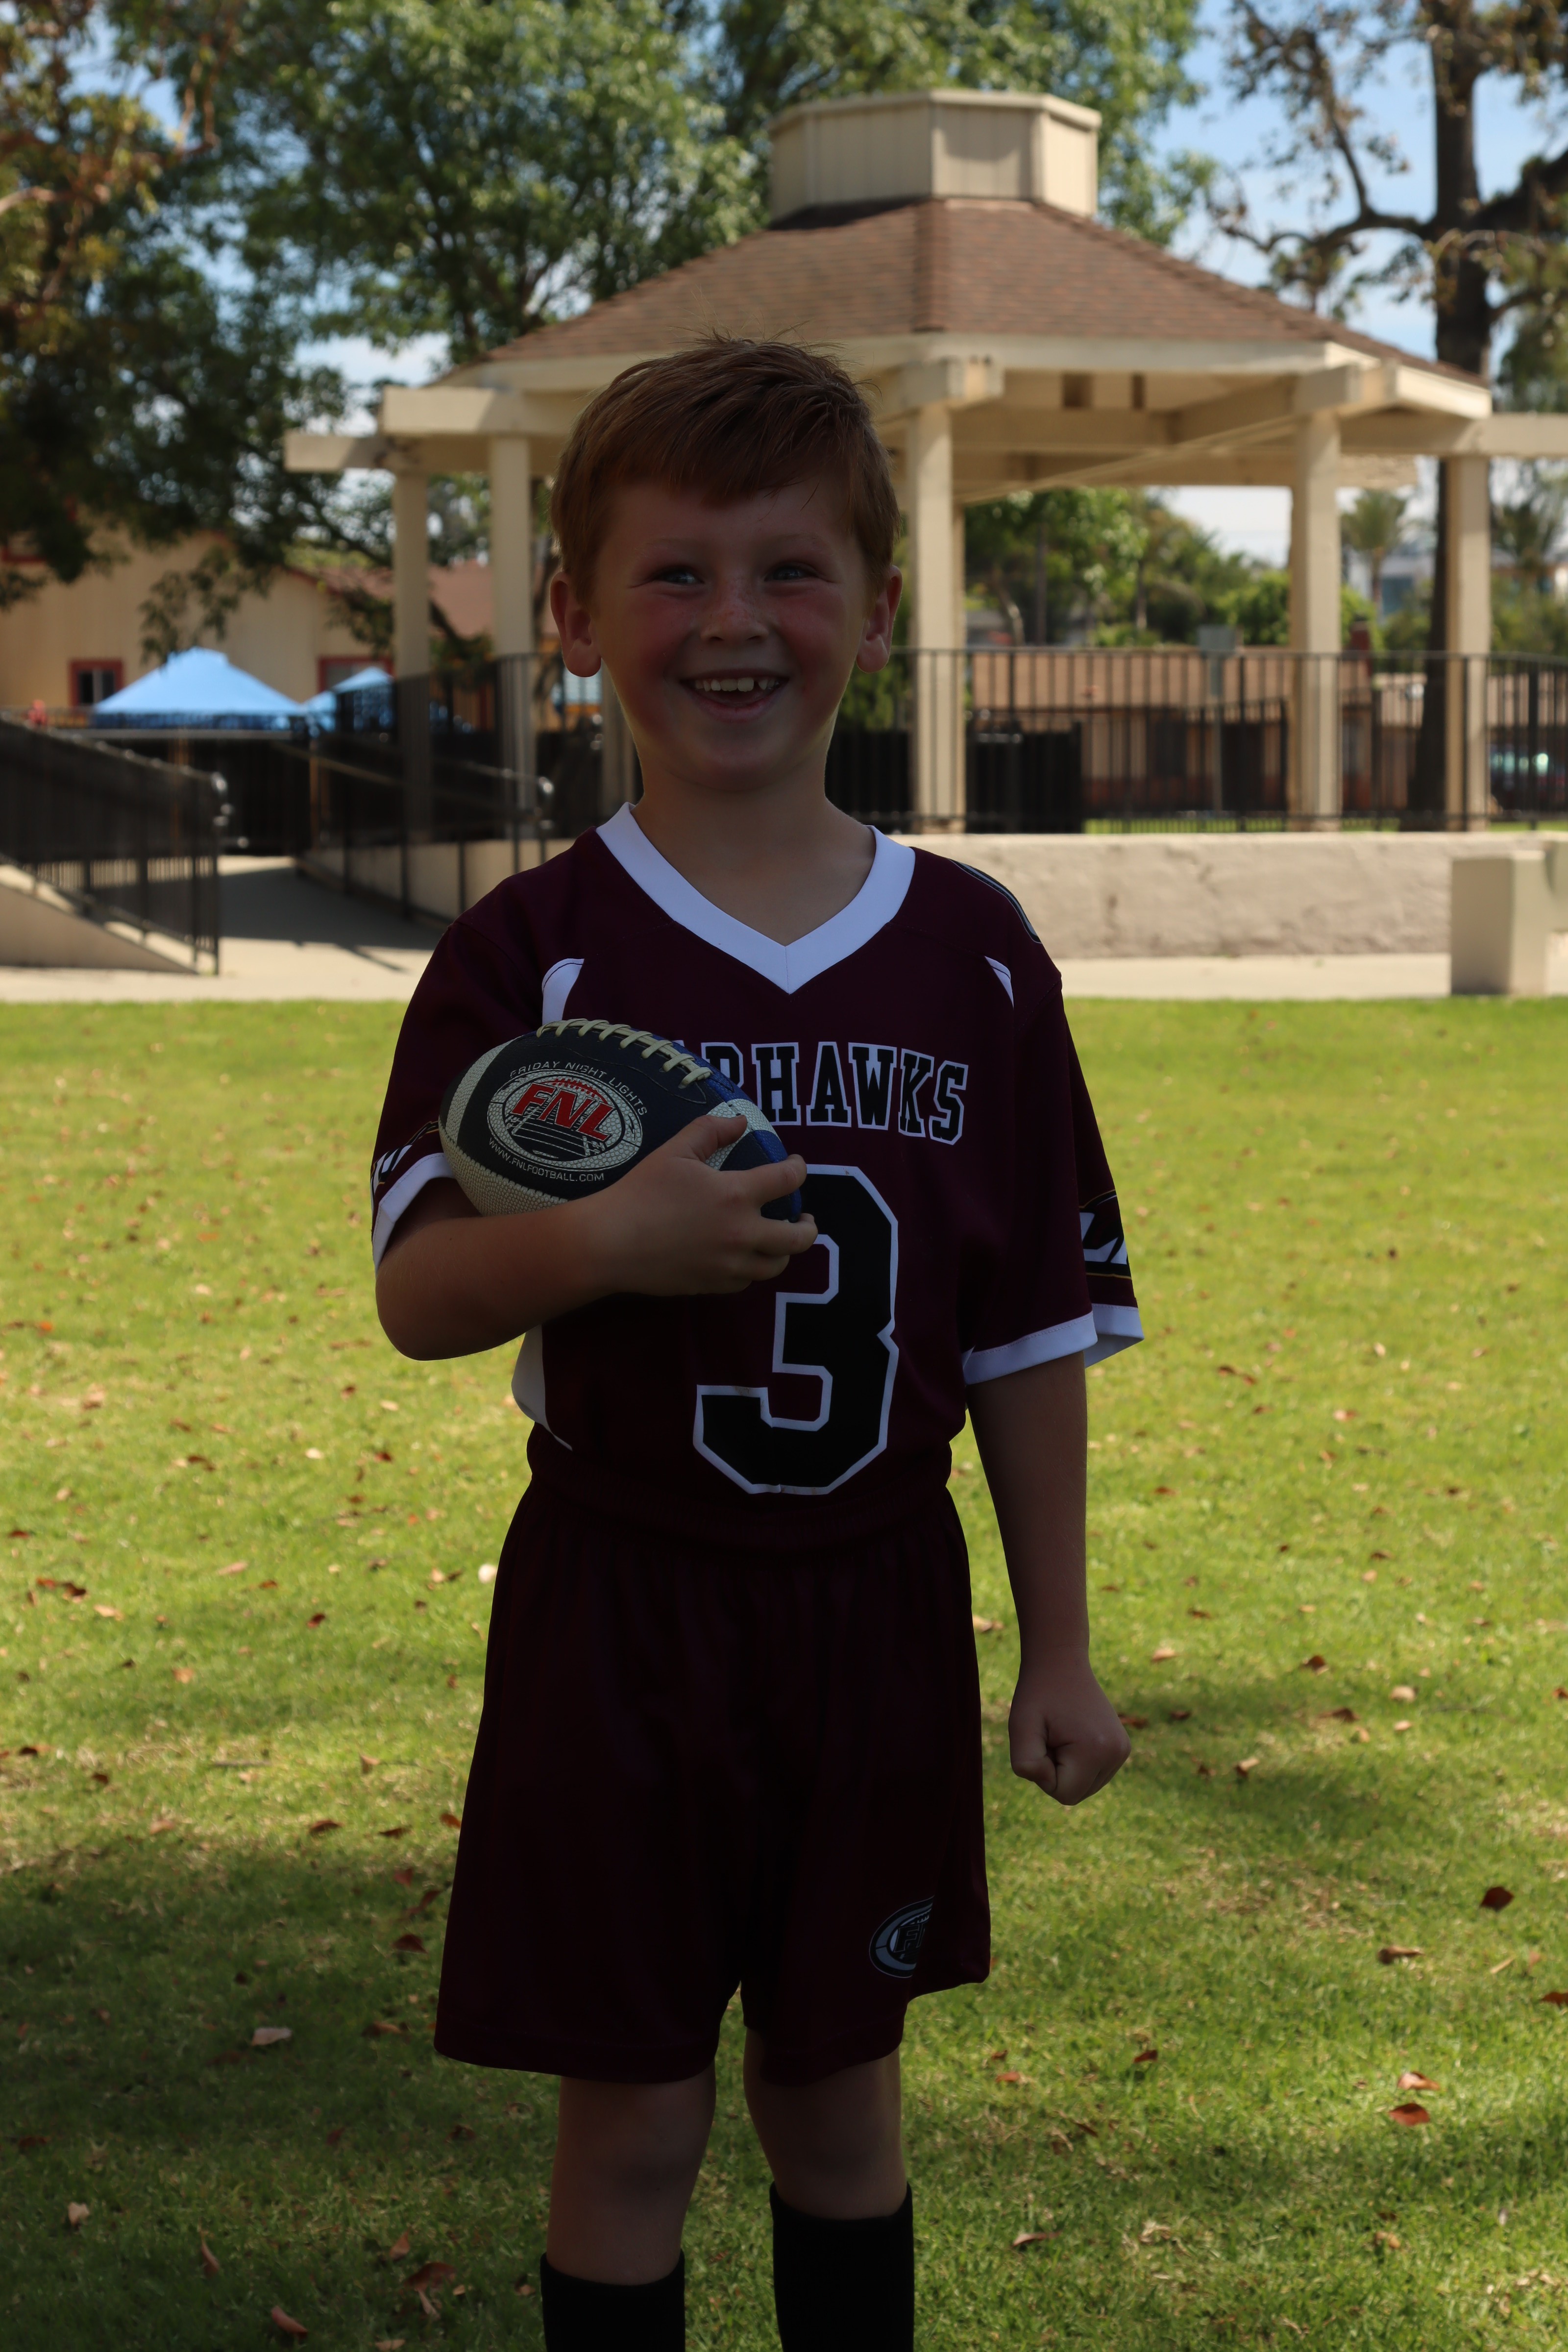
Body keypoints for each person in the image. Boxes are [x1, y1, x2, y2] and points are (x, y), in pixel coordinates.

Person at [370, 337, 1141, 2352]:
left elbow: (1029, 1333)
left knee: (838, 2101)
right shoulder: (529, 949)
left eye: (791, 570)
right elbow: (416, 1293)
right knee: (630, 2122)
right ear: (573, 616)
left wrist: (1058, 1645)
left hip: (874, 1609)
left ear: (877, 611)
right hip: (618, 1606)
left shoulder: (972, 953)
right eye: (675, 572)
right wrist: (599, 1242)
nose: (734, 620)